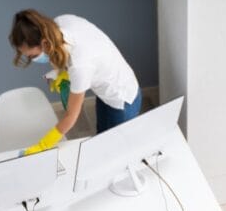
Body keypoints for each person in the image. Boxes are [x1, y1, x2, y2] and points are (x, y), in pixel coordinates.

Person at [9, 9, 141, 155]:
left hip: (122, 99)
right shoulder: (60, 23)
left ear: (45, 44)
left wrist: (42, 146)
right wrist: (62, 72)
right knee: (101, 140)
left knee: (115, 152)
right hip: (107, 91)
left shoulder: (80, 65)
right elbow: (71, 52)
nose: (32, 60)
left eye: (33, 56)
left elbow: (71, 117)